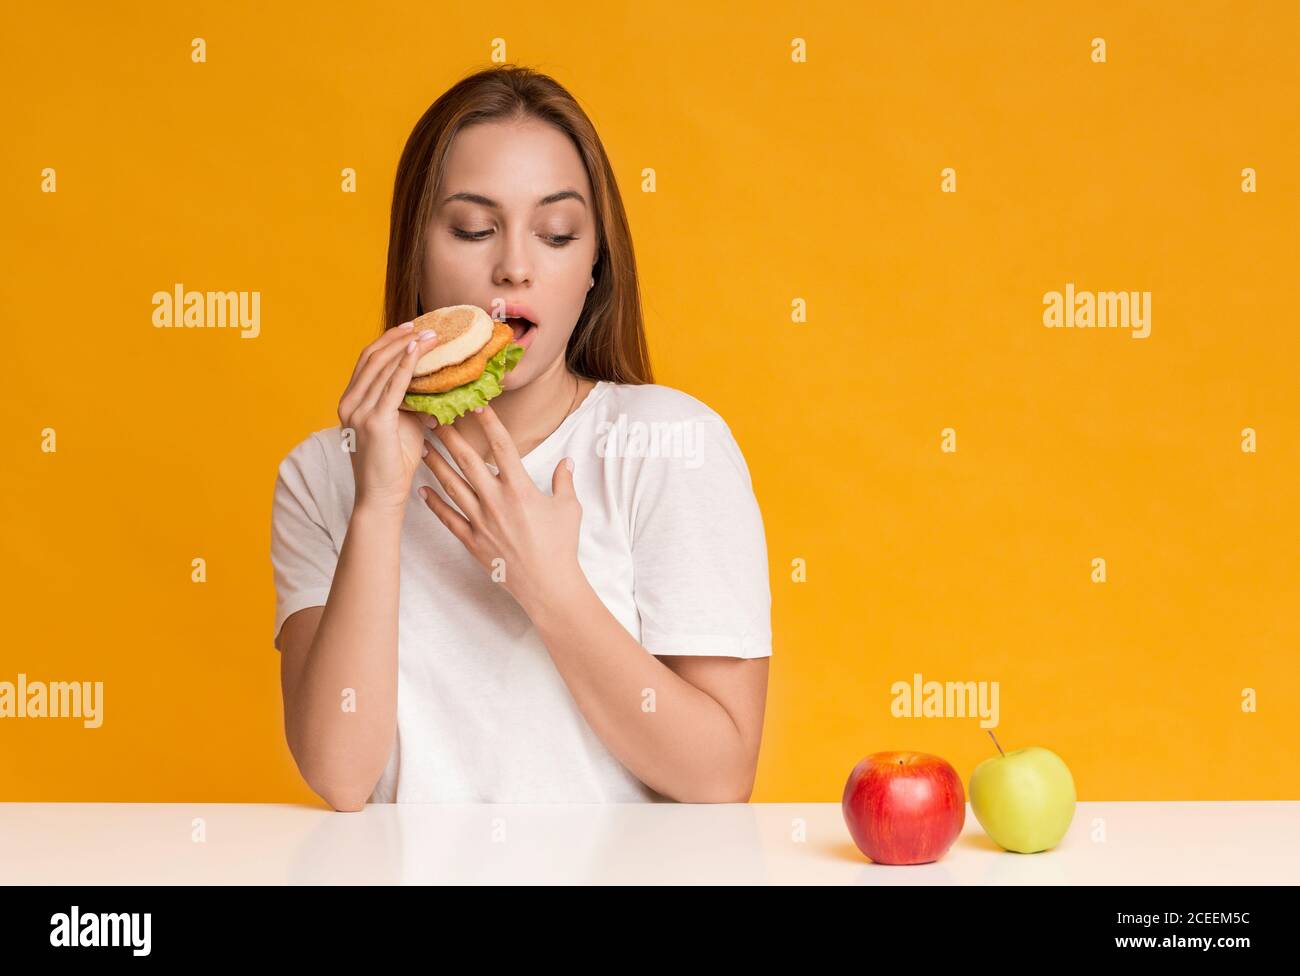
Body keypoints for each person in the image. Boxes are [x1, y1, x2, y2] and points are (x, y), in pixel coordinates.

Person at [270, 65, 771, 809]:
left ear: (596, 261)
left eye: (557, 232)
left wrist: (547, 584)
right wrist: (378, 500)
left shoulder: (671, 447)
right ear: (415, 250)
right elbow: (341, 779)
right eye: (473, 229)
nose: (513, 265)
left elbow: (719, 776)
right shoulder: (323, 476)